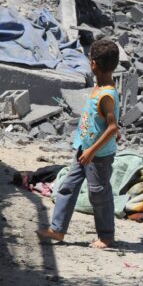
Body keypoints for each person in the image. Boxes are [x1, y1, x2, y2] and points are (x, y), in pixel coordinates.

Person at [37, 40, 121, 249]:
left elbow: (113, 127)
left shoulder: (106, 95)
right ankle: (57, 229)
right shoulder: (99, 87)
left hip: (98, 155)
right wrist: (85, 148)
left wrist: (93, 150)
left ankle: (106, 236)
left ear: (93, 64)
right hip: (83, 150)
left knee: (98, 193)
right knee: (67, 186)